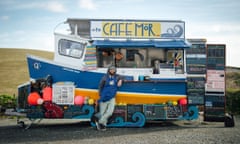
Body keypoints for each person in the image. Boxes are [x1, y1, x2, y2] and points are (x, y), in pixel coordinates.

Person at [94, 65, 122, 131]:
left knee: (109, 112)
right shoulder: (104, 77)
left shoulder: (117, 77)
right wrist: (101, 95)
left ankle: (99, 122)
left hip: (112, 97)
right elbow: (100, 86)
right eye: (111, 69)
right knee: (102, 113)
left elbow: (122, 76)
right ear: (108, 70)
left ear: (115, 70)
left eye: (114, 70)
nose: (112, 71)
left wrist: (120, 80)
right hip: (104, 97)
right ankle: (102, 126)